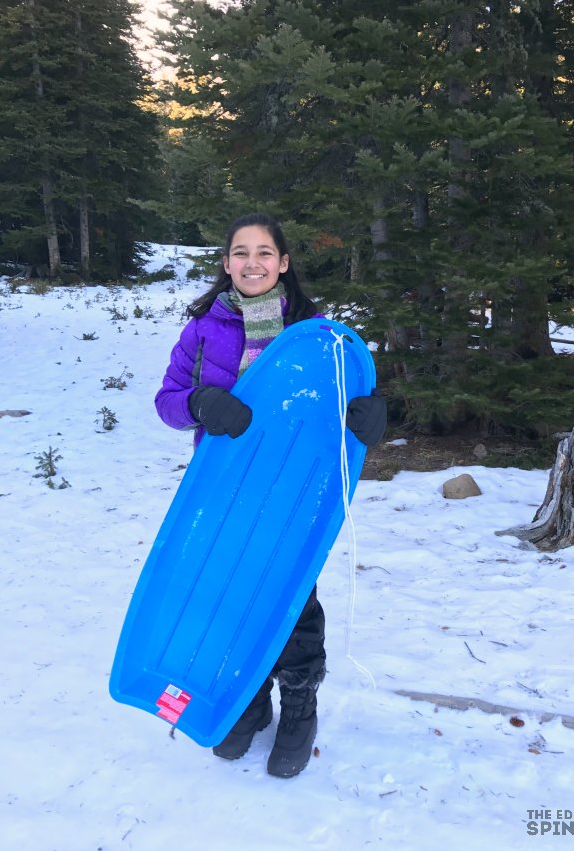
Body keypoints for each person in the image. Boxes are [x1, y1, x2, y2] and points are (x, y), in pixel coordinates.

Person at [154, 212, 386, 778]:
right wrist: (199, 405)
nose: (251, 263)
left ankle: (299, 708)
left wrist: (370, 418)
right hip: (223, 488)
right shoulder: (203, 331)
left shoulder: (319, 335)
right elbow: (168, 399)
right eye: (240, 252)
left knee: (292, 597)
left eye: (264, 252)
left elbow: (348, 402)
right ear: (226, 263)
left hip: (294, 488)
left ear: (283, 263)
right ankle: (249, 700)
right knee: (230, 592)